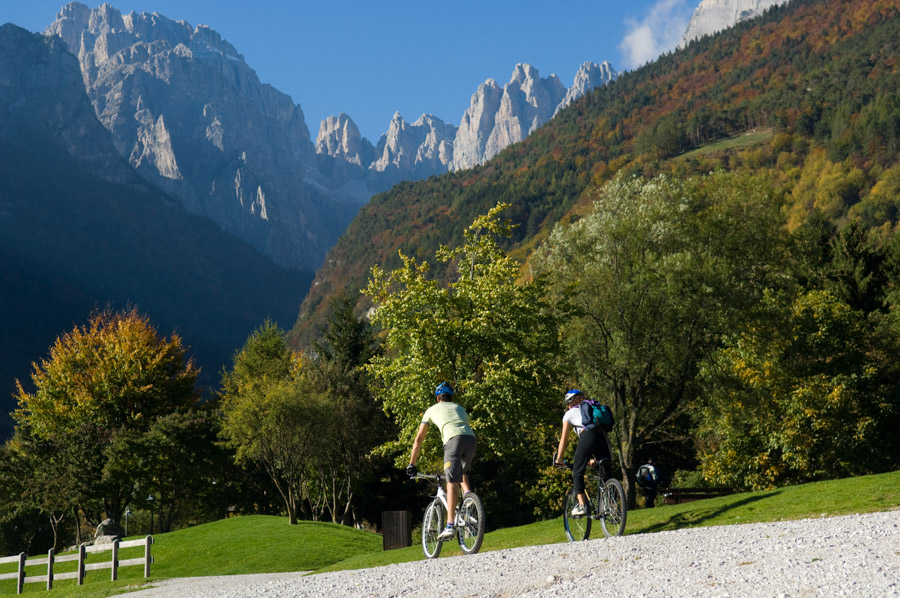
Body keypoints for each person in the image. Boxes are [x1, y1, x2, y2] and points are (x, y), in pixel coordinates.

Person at [407, 381, 477, 541]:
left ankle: (450, 526)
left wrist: (412, 464)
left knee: (451, 481)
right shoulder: (460, 408)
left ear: (438, 398)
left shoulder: (431, 410)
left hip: (453, 441)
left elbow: (418, 439)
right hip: (471, 440)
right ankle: (468, 497)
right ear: (450, 397)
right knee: (460, 471)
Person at [554, 389, 612, 517]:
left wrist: (559, 458)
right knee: (605, 471)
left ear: (569, 402)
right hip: (603, 437)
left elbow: (564, 440)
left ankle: (582, 505)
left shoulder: (568, 414)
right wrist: (591, 458)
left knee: (577, 471)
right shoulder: (590, 410)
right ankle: (610, 506)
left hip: (587, 437)